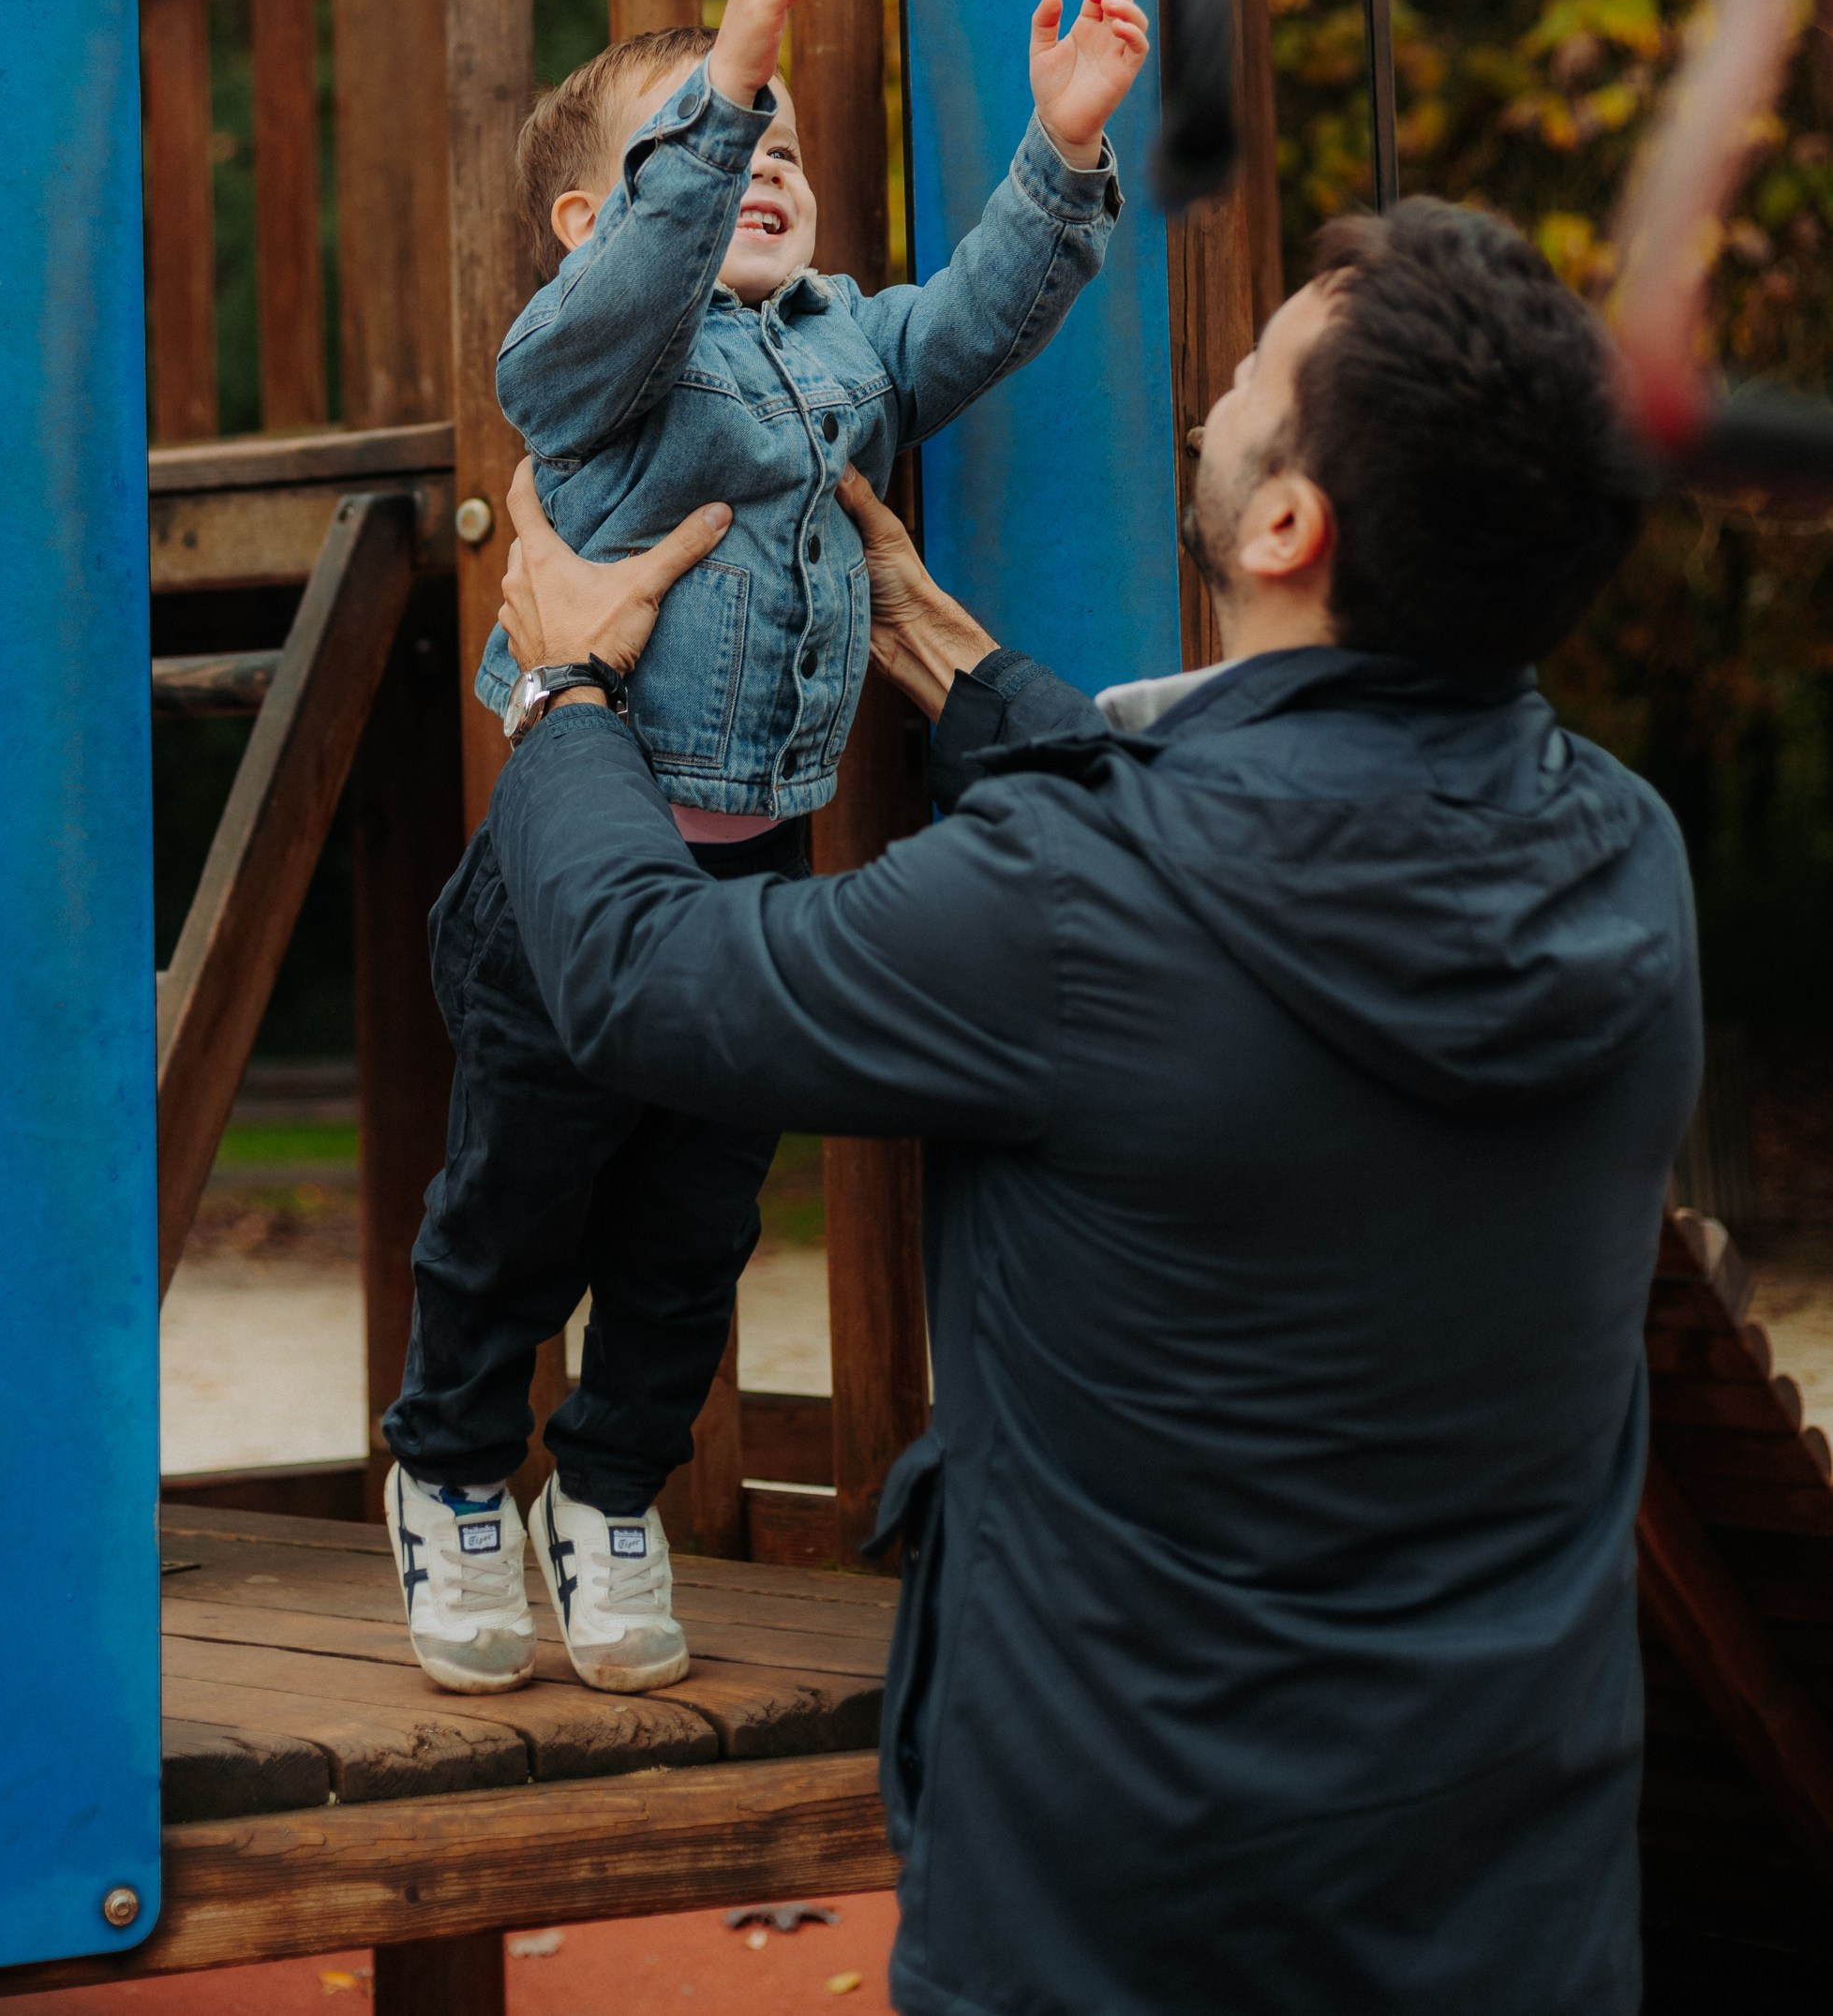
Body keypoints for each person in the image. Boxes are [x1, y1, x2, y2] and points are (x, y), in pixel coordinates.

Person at [484, 199, 1698, 2016]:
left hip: (1124, 1932)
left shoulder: (1066, 900)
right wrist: (959, 667)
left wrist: (567, 684)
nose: (1218, 383)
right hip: (1506, 1913)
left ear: (1289, 523)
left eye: (1253, 373)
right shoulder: (1628, 862)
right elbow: (1244, 866)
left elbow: (649, 980)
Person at [383, 0, 1151, 1699]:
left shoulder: (839, 343)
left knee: (690, 1233)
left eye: (785, 147)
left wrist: (1062, 150)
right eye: (719, 150)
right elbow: (641, 280)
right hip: (565, 888)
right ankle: (446, 1476)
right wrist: (725, 85)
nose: (764, 168)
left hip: (752, 885)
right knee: (516, 1205)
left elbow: (975, 313)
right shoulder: (590, 373)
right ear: (594, 218)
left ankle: (609, 1492)